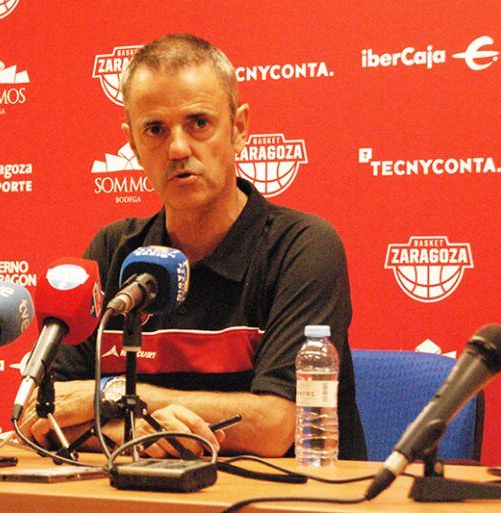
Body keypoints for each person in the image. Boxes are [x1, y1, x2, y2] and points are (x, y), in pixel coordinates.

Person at [20, 33, 366, 460]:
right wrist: (141, 427)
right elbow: (40, 412)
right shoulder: (112, 250)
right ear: (132, 145)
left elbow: (276, 427)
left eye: (199, 123)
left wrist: (122, 400)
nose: (179, 148)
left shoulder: (303, 246)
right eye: (156, 130)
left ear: (239, 129)